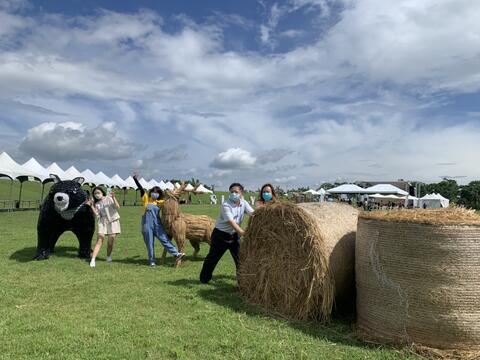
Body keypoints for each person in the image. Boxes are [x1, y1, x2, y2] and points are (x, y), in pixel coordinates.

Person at [200, 182, 254, 284]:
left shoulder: (244, 203)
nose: (234, 194)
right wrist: (242, 233)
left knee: (240, 259)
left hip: (234, 236)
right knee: (213, 258)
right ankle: (204, 279)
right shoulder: (226, 205)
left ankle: (241, 282)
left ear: (242, 192)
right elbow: (231, 222)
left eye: (236, 192)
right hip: (221, 235)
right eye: (232, 192)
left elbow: (253, 214)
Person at [133, 174, 185, 266]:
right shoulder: (146, 199)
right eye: (153, 192)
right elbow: (141, 189)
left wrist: (175, 193)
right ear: (151, 192)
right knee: (150, 243)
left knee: (164, 239)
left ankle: (176, 254)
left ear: (159, 194)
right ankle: (152, 261)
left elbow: (171, 199)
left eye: (157, 193)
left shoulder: (160, 202)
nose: (155, 194)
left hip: (157, 224)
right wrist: (135, 179)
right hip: (146, 224)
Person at [86, 187, 121, 268]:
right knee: (100, 239)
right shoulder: (97, 203)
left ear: (102, 192)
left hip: (113, 221)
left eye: (98, 192)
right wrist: (91, 206)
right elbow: (97, 215)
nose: (97, 194)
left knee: (111, 241)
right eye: (95, 193)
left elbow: (117, 207)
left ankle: (108, 256)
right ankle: (93, 260)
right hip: (102, 221)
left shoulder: (109, 198)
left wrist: (113, 197)